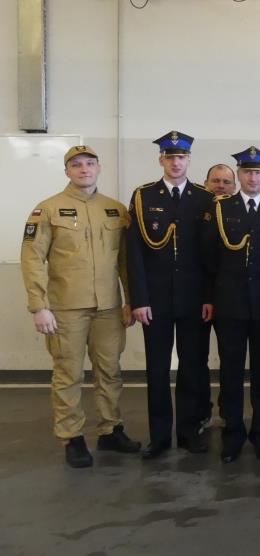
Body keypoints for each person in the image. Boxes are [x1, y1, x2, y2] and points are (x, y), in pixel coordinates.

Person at [21, 145, 141, 468]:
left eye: (90, 163)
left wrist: (130, 300)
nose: (84, 169)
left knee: (110, 371)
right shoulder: (48, 209)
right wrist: (38, 306)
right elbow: (32, 259)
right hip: (66, 309)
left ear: (99, 168)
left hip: (108, 308)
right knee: (68, 373)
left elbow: (126, 262)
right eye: (76, 165)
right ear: (67, 171)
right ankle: (72, 437)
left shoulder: (115, 210)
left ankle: (110, 429)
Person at [126, 131, 215, 459]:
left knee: (192, 367)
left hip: (194, 300)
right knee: (157, 369)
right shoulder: (143, 196)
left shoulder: (204, 198)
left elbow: (210, 256)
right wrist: (139, 299)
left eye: (181, 157)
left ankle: (189, 432)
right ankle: (160, 436)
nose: (176, 163)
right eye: (170, 157)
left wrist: (209, 297)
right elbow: (134, 253)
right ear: (160, 160)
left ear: (189, 160)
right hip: (156, 300)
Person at [204, 146, 260, 463]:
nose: (253, 178)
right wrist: (211, 297)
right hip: (230, 305)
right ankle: (233, 435)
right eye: (247, 172)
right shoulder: (222, 208)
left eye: (258, 172)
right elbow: (210, 258)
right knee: (231, 374)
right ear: (238, 175)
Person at [196, 163, 237, 432]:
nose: (221, 186)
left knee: (229, 359)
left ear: (234, 186)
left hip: (228, 299)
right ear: (206, 183)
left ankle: (228, 412)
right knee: (196, 359)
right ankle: (201, 412)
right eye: (216, 181)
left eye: (226, 181)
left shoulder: (239, 212)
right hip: (197, 297)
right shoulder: (195, 209)